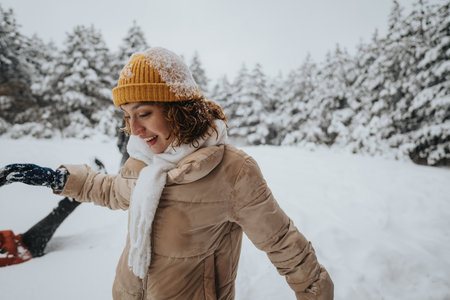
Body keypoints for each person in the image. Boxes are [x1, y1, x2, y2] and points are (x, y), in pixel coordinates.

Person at [0, 47, 333, 299]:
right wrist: (57, 179)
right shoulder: (144, 162)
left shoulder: (234, 170)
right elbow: (115, 191)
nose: (134, 128)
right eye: (127, 116)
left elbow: (282, 243)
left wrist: (315, 291)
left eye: (144, 112)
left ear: (179, 109)